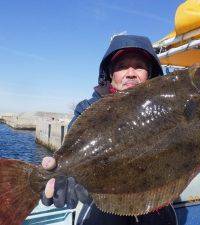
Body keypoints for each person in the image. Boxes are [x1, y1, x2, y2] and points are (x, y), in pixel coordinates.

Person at [41, 35, 178, 225]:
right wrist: (61, 178)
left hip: (157, 213)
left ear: (151, 73)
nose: (131, 73)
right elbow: (72, 157)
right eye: (122, 66)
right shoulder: (88, 109)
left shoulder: (170, 109)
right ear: (110, 74)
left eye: (139, 66)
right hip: (102, 214)